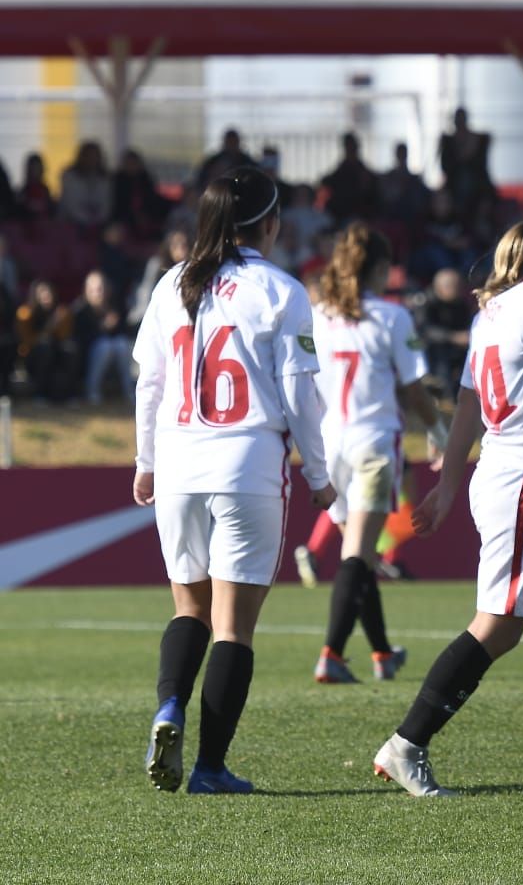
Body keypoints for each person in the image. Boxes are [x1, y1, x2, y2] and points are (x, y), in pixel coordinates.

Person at [372, 204, 523, 797]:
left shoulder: (493, 309)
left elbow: (468, 407)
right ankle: (406, 743)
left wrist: (451, 485)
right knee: (498, 627)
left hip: (516, 475)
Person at [134, 165, 335, 795]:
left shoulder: (173, 283)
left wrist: (145, 462)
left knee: (187, 608)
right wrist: (321, 476)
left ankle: (169, 708)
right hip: (246, 461)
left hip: (178, 461)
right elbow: (301, 393)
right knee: (233, 626)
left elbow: (150, 385)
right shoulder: (280, 289)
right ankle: (210, 767)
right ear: (270, 223)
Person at [310, 223, 448, 684]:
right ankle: (331, 653)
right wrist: (438, 430)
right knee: (358, 555)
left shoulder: (320, 315)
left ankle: (383, 654)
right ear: (382, 269)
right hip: (372, 446)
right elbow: (412, 387)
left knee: (361, 556)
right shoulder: (391, 317)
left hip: (331, 445)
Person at [72, 270, 134, 404]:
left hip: (114, 359)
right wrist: (101, 328)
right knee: (104, 345)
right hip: (88, 361)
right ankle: (92, 391)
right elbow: (80, 340)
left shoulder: (115, 307)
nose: (98, 293)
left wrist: (114, 326)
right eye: (93, 290)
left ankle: (128, 391)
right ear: (86, 290)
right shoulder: (80, 310)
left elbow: (125, 332)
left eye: (101, 289)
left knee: (121, 344)